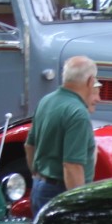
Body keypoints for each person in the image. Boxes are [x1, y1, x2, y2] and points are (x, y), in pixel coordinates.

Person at [25, 54, 99, 215]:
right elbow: (72, 166)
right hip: (60, 194)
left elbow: (29, 146)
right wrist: (78, 205)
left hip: (39, 188)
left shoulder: (46, 101)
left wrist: (38, 176)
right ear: (90, 81)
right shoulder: (78, 113)